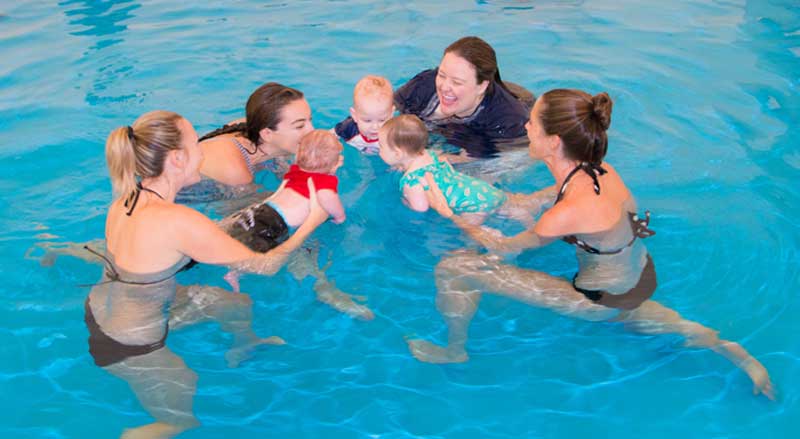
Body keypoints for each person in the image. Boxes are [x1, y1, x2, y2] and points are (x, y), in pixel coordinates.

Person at [409, 89, 775, 400]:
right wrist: (530, 200)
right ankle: (736, 354)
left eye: (532, 124)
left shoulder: (565, 215)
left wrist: (449, 214)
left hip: (598, 300)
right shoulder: (601, 169)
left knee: (456, 266)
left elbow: (505, 248)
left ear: (553, 142)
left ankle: (455, 350)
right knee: (643, 313)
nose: (525, 127)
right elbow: (564, 194)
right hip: (637, 281)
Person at [89, 110, 328, 439]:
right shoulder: (179, 220)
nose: (203, 150)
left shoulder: (127, 200)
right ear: (176, 159)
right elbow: (266, 266)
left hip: (103, 315)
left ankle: (245, 345)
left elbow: (170, 247)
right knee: (180, 420)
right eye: (194, 143)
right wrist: (314, 219)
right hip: (132, 346)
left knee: (231, 303)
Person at [221, 130, 373, 320]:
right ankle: (236, 273)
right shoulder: (325, 182)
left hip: (256, 214)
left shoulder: (293, 172)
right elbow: (332, 205)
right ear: (336, 164)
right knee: (258, 256)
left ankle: (233, 273)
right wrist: (339, 218)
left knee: (243, 243)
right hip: (274, 226)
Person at [378, 114, 533, 226]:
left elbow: (421, 208)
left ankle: (492, 235)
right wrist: (401, 164)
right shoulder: (429, 155)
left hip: (474, 209)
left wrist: (407, 203)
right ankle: (523, 216)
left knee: (471, 234)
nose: (379, 151)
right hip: (484, 191)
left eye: (381, 147)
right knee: (501, 207)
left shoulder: (411, 181)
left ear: (398, 154)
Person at [394, 36, 532, 158]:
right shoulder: (423, 86)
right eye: (441, 75)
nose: (444, 87)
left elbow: (501, 165)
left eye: (456, 82)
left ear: (482, 86)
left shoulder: (508, 122)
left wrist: (438, 158)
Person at [177, 82, 313, 205]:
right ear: (267, 134)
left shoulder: (257, 127)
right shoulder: (236, 171)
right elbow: (238, 224)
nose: (311, 130)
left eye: (309, 120)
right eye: (300, 126)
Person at [333, 75, 395, 154]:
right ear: (354, 115)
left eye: (382, 120)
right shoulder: (348, 127)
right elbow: (328, 137)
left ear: (391, 114)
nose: (375, 127)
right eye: (367, 120)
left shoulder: (394, 136)